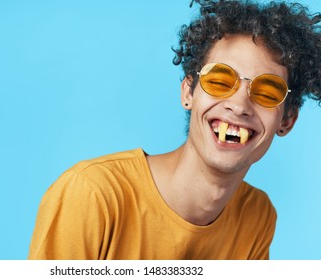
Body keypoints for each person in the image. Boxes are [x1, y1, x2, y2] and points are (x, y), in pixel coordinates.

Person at [28, 0, 321, 260]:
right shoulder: (92, 194)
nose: (240, 105)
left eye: (268, 92)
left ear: (287, 121)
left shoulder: (256, 215)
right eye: (220, 80)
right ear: (188, 93)